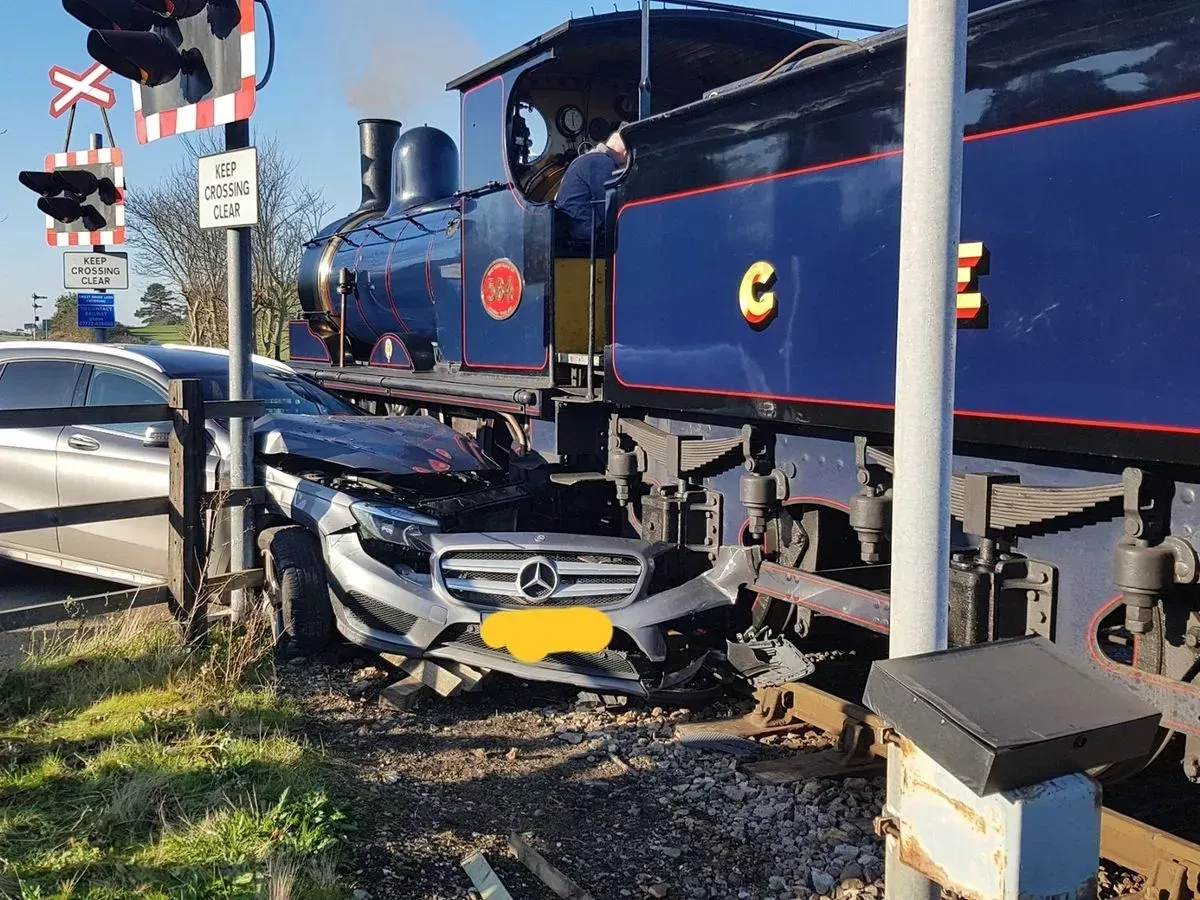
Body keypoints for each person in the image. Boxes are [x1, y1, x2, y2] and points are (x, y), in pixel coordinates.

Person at [555, 128, 628, 246]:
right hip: (584, 231)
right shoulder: (602, 162)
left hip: (575, 226)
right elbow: (609, 208)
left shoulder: (589, 158)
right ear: (626, 152)